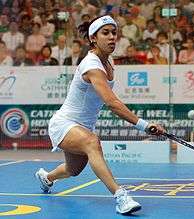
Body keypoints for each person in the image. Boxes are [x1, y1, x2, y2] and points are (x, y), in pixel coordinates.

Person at [35, 15, 165, 215]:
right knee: (92, 142)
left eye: (114, 32)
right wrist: (144, 125)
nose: (112, 37)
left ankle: (46, 177)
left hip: (82, 127)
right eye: (106, 33)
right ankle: (121, 197)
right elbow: (112, 103)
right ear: (93, 38)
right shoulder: (92, 65)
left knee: (73, 169)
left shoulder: (108, 62)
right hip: (64, 124)